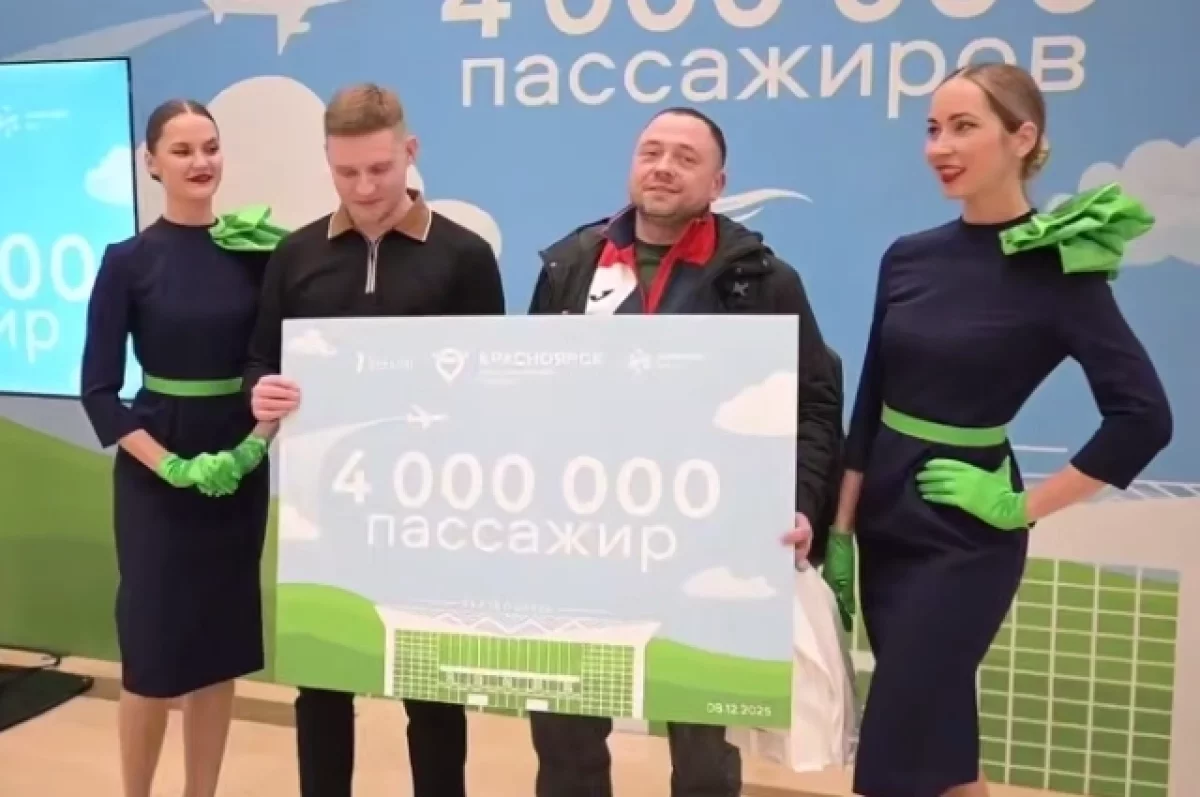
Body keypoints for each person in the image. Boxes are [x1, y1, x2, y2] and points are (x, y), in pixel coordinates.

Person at [801, 62, 1173, 797]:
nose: (940, 146)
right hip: (886, 520)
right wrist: (842, 525)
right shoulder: (908, 256)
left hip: (967, 535)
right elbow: (872, 396)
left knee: (894, 753)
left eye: (963, 127)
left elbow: (1143, 416)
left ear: (1021, 138)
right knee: (940, 749)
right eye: (932, 128)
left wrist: (1018, 506)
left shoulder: (1060, 266)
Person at [525, 106, 843, 797]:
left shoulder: (759, 280)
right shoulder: (571, 265)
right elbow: (533, 388)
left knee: (703, 752)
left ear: (718, 183)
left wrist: (800, 504)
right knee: (564, 732)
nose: (663, 167)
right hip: (583, 536)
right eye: (651, 152)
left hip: (708, 539)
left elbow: (815, 401)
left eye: (685, 157)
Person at [243, 82, 505, 797]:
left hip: (432, 509)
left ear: (410, 151)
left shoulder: (464, 256)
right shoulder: (295, 254)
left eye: (380, 169)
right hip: (324, 509)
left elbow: (492, 381)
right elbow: (260, 360)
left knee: (433, 690)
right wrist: (259, 392)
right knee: (323, 686)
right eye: (346, 171)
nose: (364, 187)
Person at [80, 99, 287, 797]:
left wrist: (251, 449)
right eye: (182, 150)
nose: (201, 162)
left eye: (211, 147)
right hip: (154, 477)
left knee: (216, 651)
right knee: (151, 654)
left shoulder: (258, 255)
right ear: (152, 162)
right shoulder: (127, 261)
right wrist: (169, 465)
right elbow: (99, 392)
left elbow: (277, 367)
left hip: (237, 470)